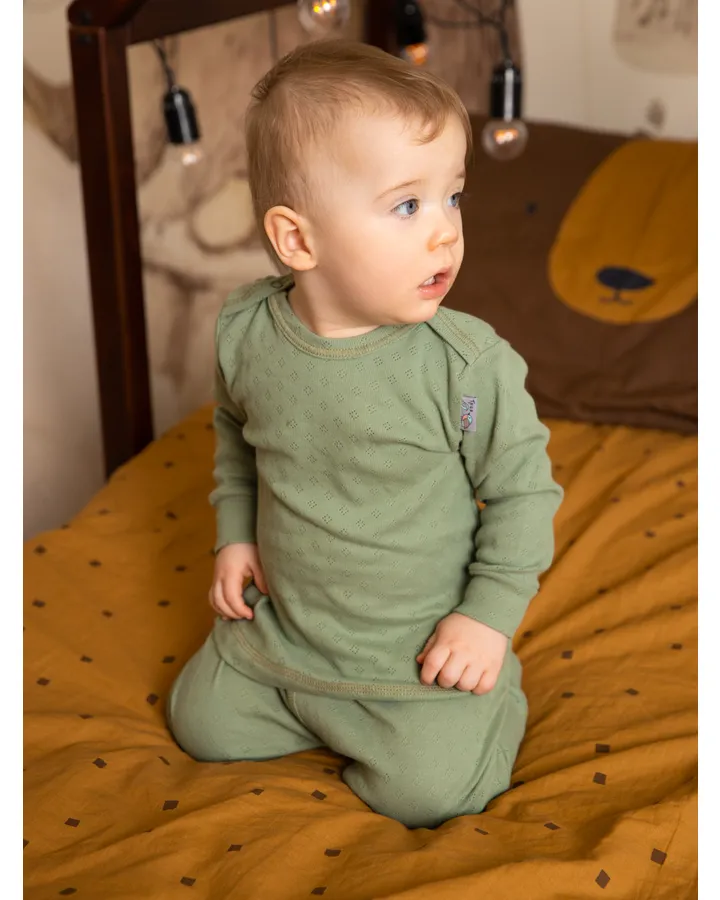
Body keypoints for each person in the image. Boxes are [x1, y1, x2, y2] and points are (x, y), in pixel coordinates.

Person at [167, 39, 563, 829]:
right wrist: (234, 535)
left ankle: (483, 709)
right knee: (198, 723)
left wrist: (485, 619)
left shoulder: (464, 369)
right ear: (297, 241)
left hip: (412, 652)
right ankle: (309, 705)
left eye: (454, 197)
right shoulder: (246, 332)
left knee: (431, 794)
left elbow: (523, 494)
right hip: (289, 638)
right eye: (408, 206)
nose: (445, 232)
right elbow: (237, 441)